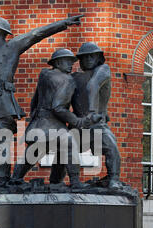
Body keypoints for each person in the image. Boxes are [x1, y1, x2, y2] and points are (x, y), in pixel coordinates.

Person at [0, 6, 83, 191]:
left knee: (1, 140)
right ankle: (4, 179)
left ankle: (1, 181)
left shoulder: (12, 46)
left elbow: (36, 33)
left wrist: (64, 23)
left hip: (4, 103)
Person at [11, 49, 96, 189]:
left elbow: (34, 101)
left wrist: (35, 116)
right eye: (67, 62)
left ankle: (16, 178)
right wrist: (77, 121)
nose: (71, 65)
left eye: (72, 62)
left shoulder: (44, 75)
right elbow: (58, 107)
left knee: (37, 150)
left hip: (38, 122)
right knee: (69, 144)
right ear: (57, 62)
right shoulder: (68, 80)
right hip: (53, 122)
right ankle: (74, 181)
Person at [50, 42, 121, 189]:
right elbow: (60, 102)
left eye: (92, 56)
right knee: (64, 149)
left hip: (97, 124)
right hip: (79, 124)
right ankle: (56, 181)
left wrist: (93, 113)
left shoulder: (103, 70)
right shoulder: (73, 77)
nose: (88, 59)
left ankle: (114, 179)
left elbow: (93, 85)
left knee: (111, 147)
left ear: (98, 58)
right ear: (80, 60)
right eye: (84, 57)